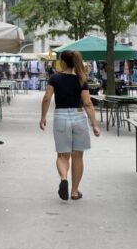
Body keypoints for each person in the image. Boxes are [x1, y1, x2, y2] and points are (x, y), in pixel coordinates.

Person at [40, 50, 101, 202]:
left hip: (61, 117)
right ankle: (74, 192)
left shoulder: (55, 78)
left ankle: (63, 179)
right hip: (79, 117)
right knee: (78, 156)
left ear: (63, 62)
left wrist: (43, 117)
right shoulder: (81, 79)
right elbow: (88, 103)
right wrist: (94, 124)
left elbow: (47, 98)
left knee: (62, 155)